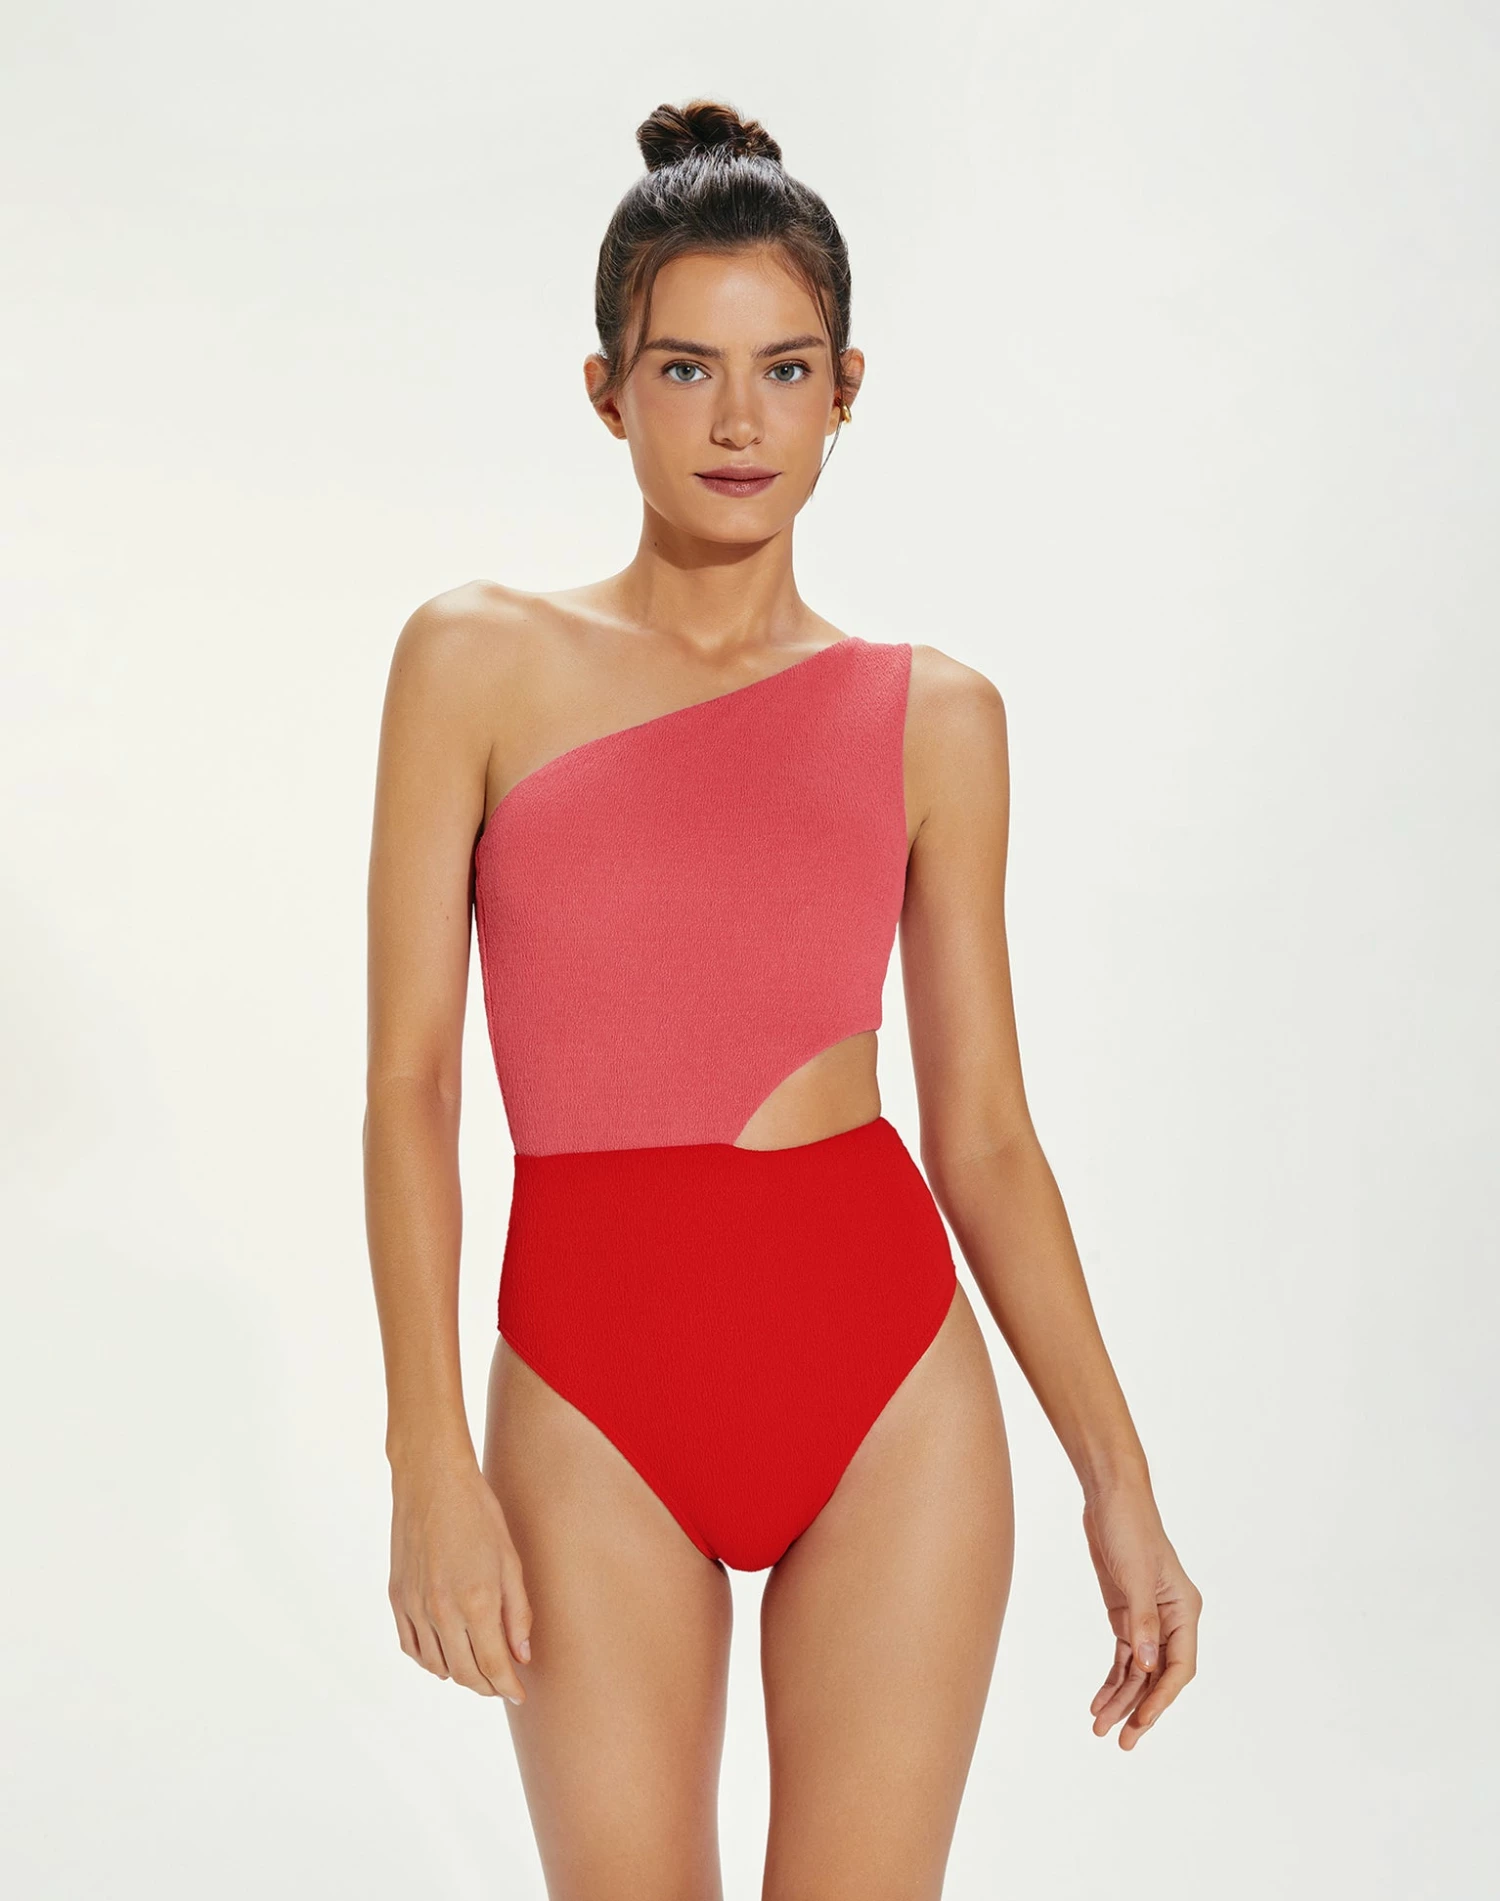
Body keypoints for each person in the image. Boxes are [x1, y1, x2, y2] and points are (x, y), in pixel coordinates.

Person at [364, 96, 1201, 1899]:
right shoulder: (473, 663)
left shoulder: (939, 718)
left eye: (784, 369)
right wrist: (425, 1450)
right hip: (588, 1386)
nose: (738, 421)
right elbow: (410, 1087)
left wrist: (1117, 1478)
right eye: (685, 369)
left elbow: (986, 1136)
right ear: (607, 391)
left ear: (846, 390)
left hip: (885, 1385)